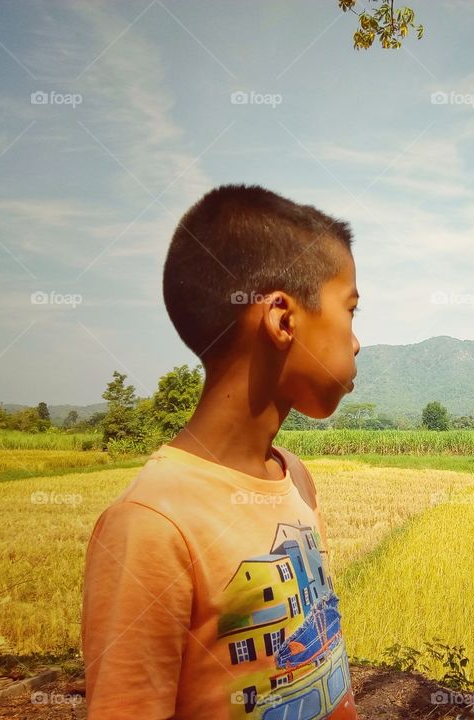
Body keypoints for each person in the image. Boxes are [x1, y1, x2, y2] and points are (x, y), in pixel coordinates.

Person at [81, 184, 361, 719]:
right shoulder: (151, 524)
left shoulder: (296, 479)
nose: (356, 340)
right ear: (283, 320)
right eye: (350, 309)